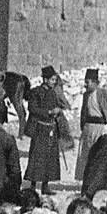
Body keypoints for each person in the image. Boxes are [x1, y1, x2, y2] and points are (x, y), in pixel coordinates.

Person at [24, 65, 69, 195]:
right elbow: (33, 109)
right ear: (45, 79)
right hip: (40, 128)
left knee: (49, 157)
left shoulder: (53, 93)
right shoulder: (35, 92)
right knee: (36, 156)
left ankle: (45, 185)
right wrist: (49, 112)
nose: (53, 82)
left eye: (55, 80)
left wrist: (57, 111)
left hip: (51, 128)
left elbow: (57, 106)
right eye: (52, 80)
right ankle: (32, 185)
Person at [75, 67, 107, 182]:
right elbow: (83, 112)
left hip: (101, 128)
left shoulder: (105, 94)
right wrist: (83, 127)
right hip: (88, 128)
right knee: (86, 156)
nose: (85, 85)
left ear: (95, 83)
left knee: (99, 155)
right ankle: (87, 180)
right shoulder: (85, 96)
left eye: (87, 82)